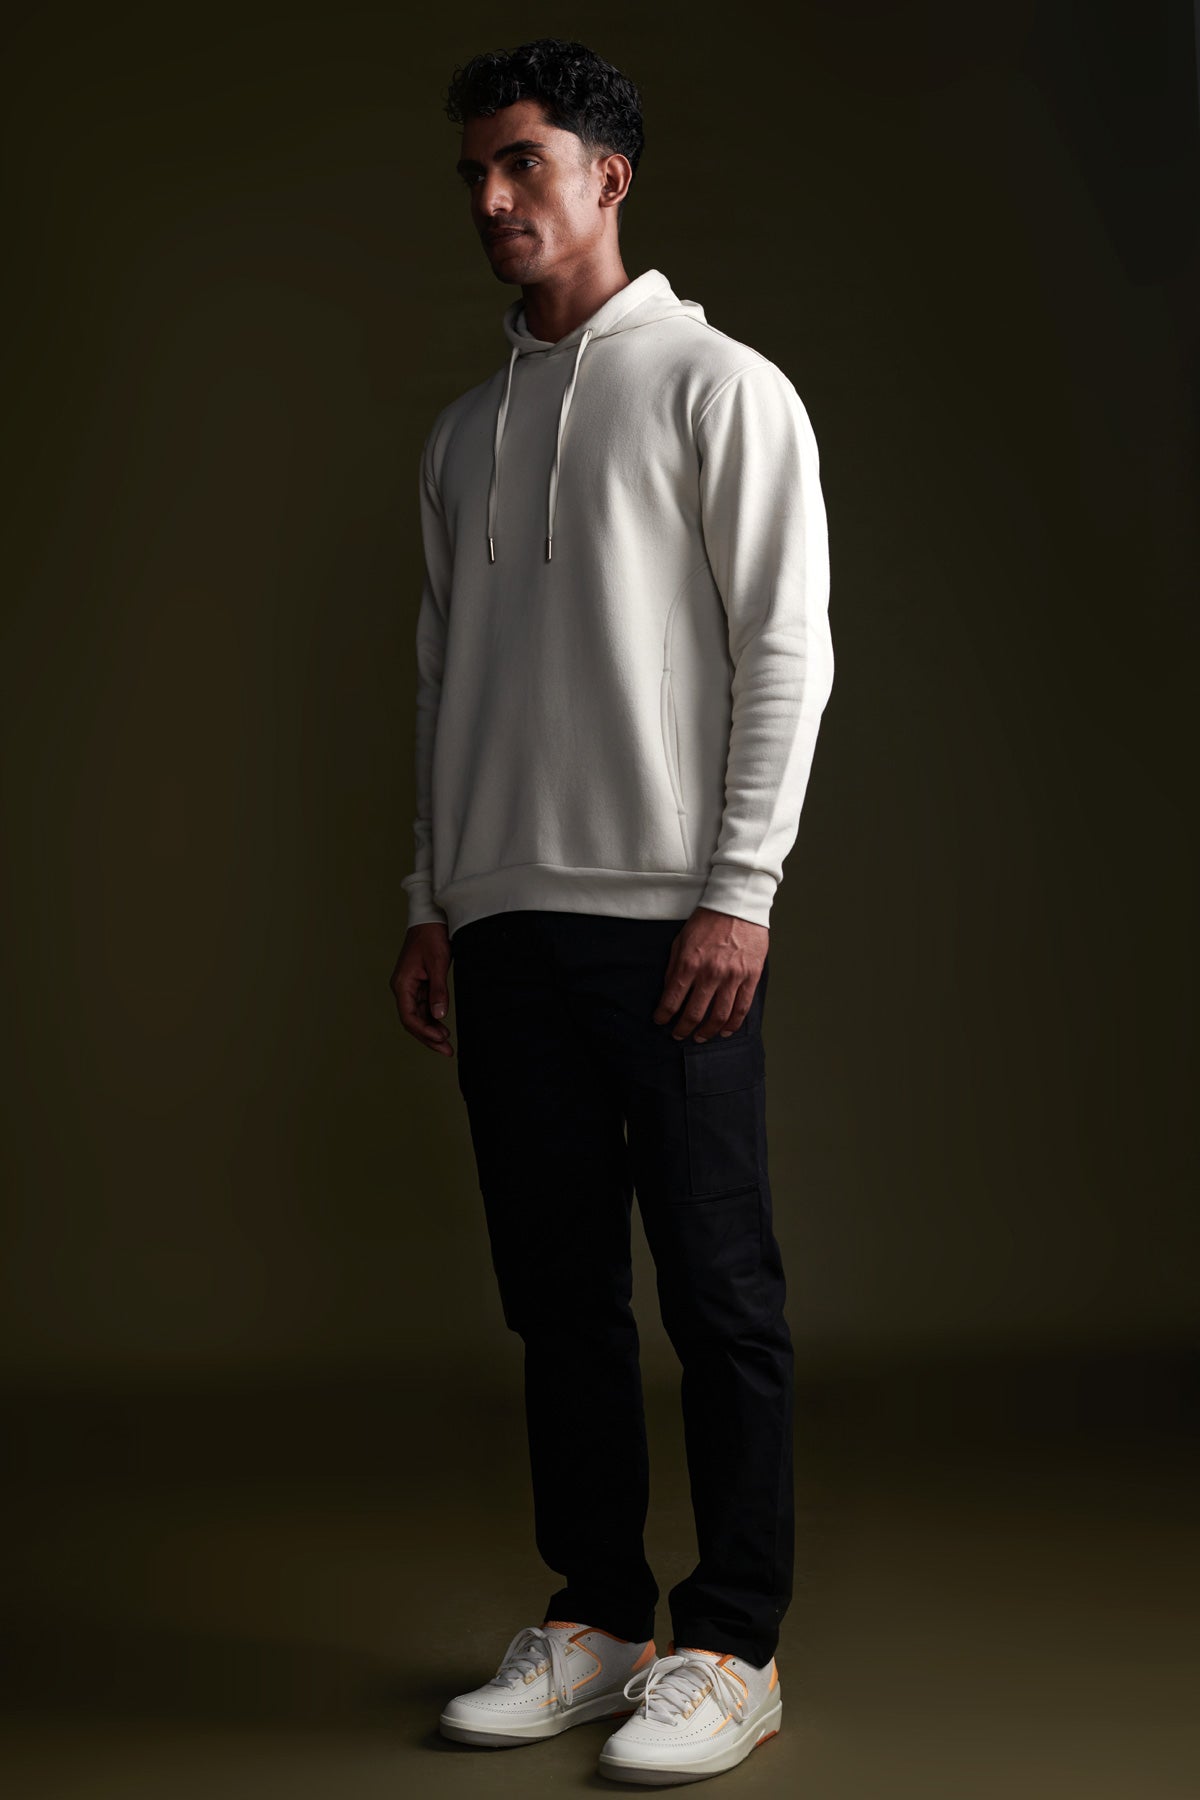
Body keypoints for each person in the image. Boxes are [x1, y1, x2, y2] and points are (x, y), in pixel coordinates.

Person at [389, 36, 834, 1787]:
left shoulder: (724, 389)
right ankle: (598, 1621)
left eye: (522, 163)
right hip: (503, 919)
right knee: (559, 1298)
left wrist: (741, 893)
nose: (492, 198)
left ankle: (733, 1646)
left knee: (718, 1292)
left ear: (606, 176)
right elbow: (443, 683)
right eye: (475, 174)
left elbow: (786, 651)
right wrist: (432, 896)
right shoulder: (463, 435)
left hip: (673, 921)